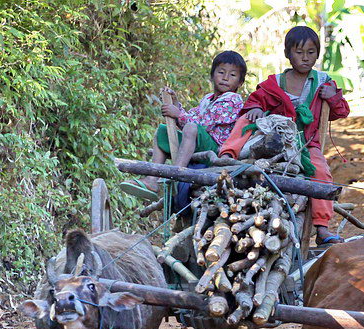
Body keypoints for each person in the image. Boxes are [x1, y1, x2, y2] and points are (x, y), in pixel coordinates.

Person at [219, 26, 350, 245]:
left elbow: (341, 111)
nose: (305, 58)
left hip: (306, 144)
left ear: (317, 54)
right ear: (288, 54)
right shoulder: (275, 82)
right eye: (299, 52)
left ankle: (322, 228)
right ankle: (227, 156)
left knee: (321, 171)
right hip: (276, 140)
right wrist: (256, 108)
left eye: (311, 52)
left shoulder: (323, 82)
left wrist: (333, 97)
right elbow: (256, 99)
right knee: (247, 121)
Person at [120, 50, 246, 201]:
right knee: (163, 131)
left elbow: (204, 124)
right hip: (198, 142)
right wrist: (176, 104)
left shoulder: (233, 100)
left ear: (240, 82)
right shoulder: (208, 99)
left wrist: (178, 114)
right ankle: (151, 180)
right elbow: (193, 116)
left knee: (192, 127)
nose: (225, 78)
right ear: (212, 76)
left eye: (232, 75)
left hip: (215, 148)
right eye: (221, 72)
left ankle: (175, 174)